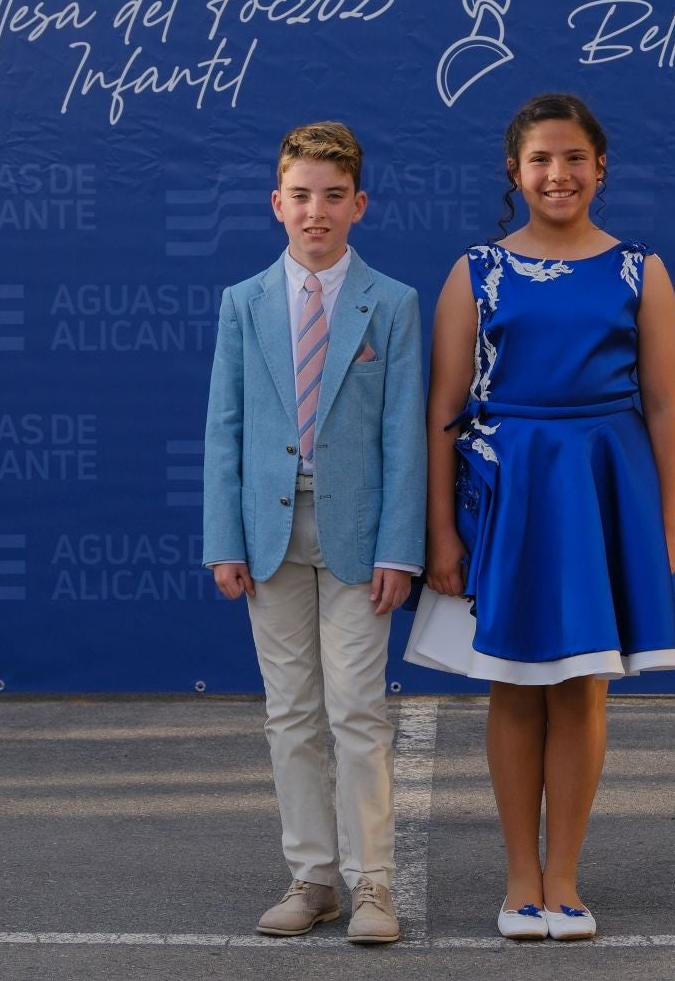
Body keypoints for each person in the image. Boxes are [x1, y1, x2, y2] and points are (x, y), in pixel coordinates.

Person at [404, 92, 675, 941]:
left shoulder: (640, 270)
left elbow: (663, 408)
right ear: (515, 171)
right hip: (510, 495)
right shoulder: (476, 271)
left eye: (574, 158)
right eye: (541, 159)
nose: (558, 174)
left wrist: (661, 525)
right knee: (513, 686)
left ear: (600, 167)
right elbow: (440, 408)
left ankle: (565, 881)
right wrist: (441, 531)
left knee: (583, 686)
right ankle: (518, 882)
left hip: (601, 493)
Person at [201, 121, 425, 944]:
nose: (316, 212)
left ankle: (373, 884)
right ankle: (312, 877)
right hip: (268, 536)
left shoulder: (392, 303)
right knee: (290, 712)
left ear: (359, 205)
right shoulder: (244, 303)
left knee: (359, 711)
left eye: (333, 197)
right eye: (301, 196)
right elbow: (224, 426)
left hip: (362, 541)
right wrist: (223, 538)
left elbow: (404, 435)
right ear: (277, 203)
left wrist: (402, 547)